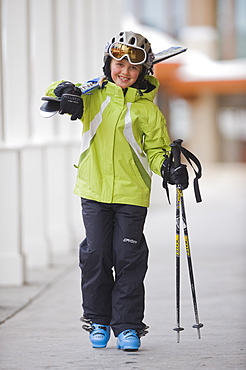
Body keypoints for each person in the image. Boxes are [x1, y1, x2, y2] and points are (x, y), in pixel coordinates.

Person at [45, 31, 188, 351]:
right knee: (96, 254)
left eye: (132, 67)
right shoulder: (93, 97)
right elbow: (51, 96)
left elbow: (156, 152)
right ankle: (98, 320)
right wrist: (64, 91)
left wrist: (168, 168)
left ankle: (127, 326)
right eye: (118, 63)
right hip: (94, 191)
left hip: (131, 195)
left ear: (143, 72)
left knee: (128, 257)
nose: (124, 70)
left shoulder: (149, 112)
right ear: (108, 63)